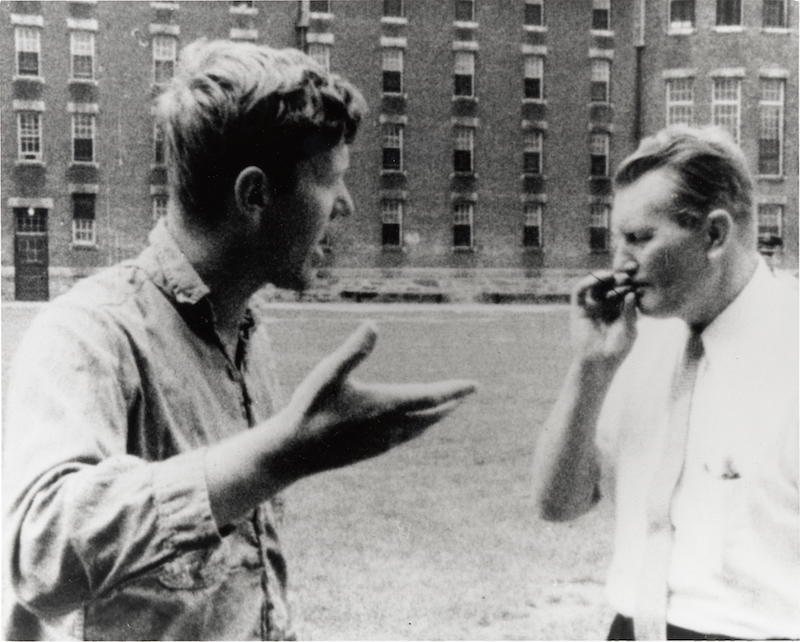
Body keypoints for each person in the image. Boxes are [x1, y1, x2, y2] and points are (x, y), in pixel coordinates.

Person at [3, 39, 476, 641]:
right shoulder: (89, 334)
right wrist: (279, 453)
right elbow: (38, 553)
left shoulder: (249, 334)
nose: (348, 207)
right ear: (254, 195)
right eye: (330, 181)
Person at [531, 125, 799, 640]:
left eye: (638, 239)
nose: (618, 264)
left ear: (714, 235)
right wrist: (590, 368)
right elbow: (556, 504)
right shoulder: (634, 341)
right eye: (616, 240)